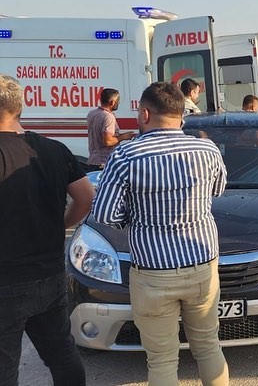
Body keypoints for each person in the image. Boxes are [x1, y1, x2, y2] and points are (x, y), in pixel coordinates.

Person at [92, 81, 229, 385]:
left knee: (162, 359)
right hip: (202, 267)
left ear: (144, 113)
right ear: (181, 115)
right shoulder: (207, 149)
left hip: (153, 273)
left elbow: (104, 214)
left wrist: (138, 216)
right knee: (208, 347)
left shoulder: (126, 156)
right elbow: (217, 190)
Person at [0, 74, 95, 386]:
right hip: (49, 274)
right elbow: (85, 198)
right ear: (20, 108)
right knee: (62, 354)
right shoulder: (54, 150)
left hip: (6, 280)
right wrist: (61, 223)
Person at [86, 87, 134, 169]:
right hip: (104, 163)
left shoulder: (92, 113)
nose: (118, 103)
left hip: (93, 161)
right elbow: (108, 141)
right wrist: (124, 137)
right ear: (112, 102)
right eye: (117, 101)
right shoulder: (108, 116)